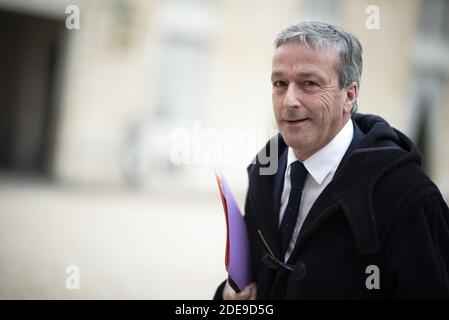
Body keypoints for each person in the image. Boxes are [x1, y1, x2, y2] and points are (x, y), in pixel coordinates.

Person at [214, 21, 449, 299]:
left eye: (309, 84)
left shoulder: (407, 195)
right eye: (280, 83)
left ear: (349, 96)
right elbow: (251, 275)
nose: (289, 100)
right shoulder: (265, 169)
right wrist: (229, 295)